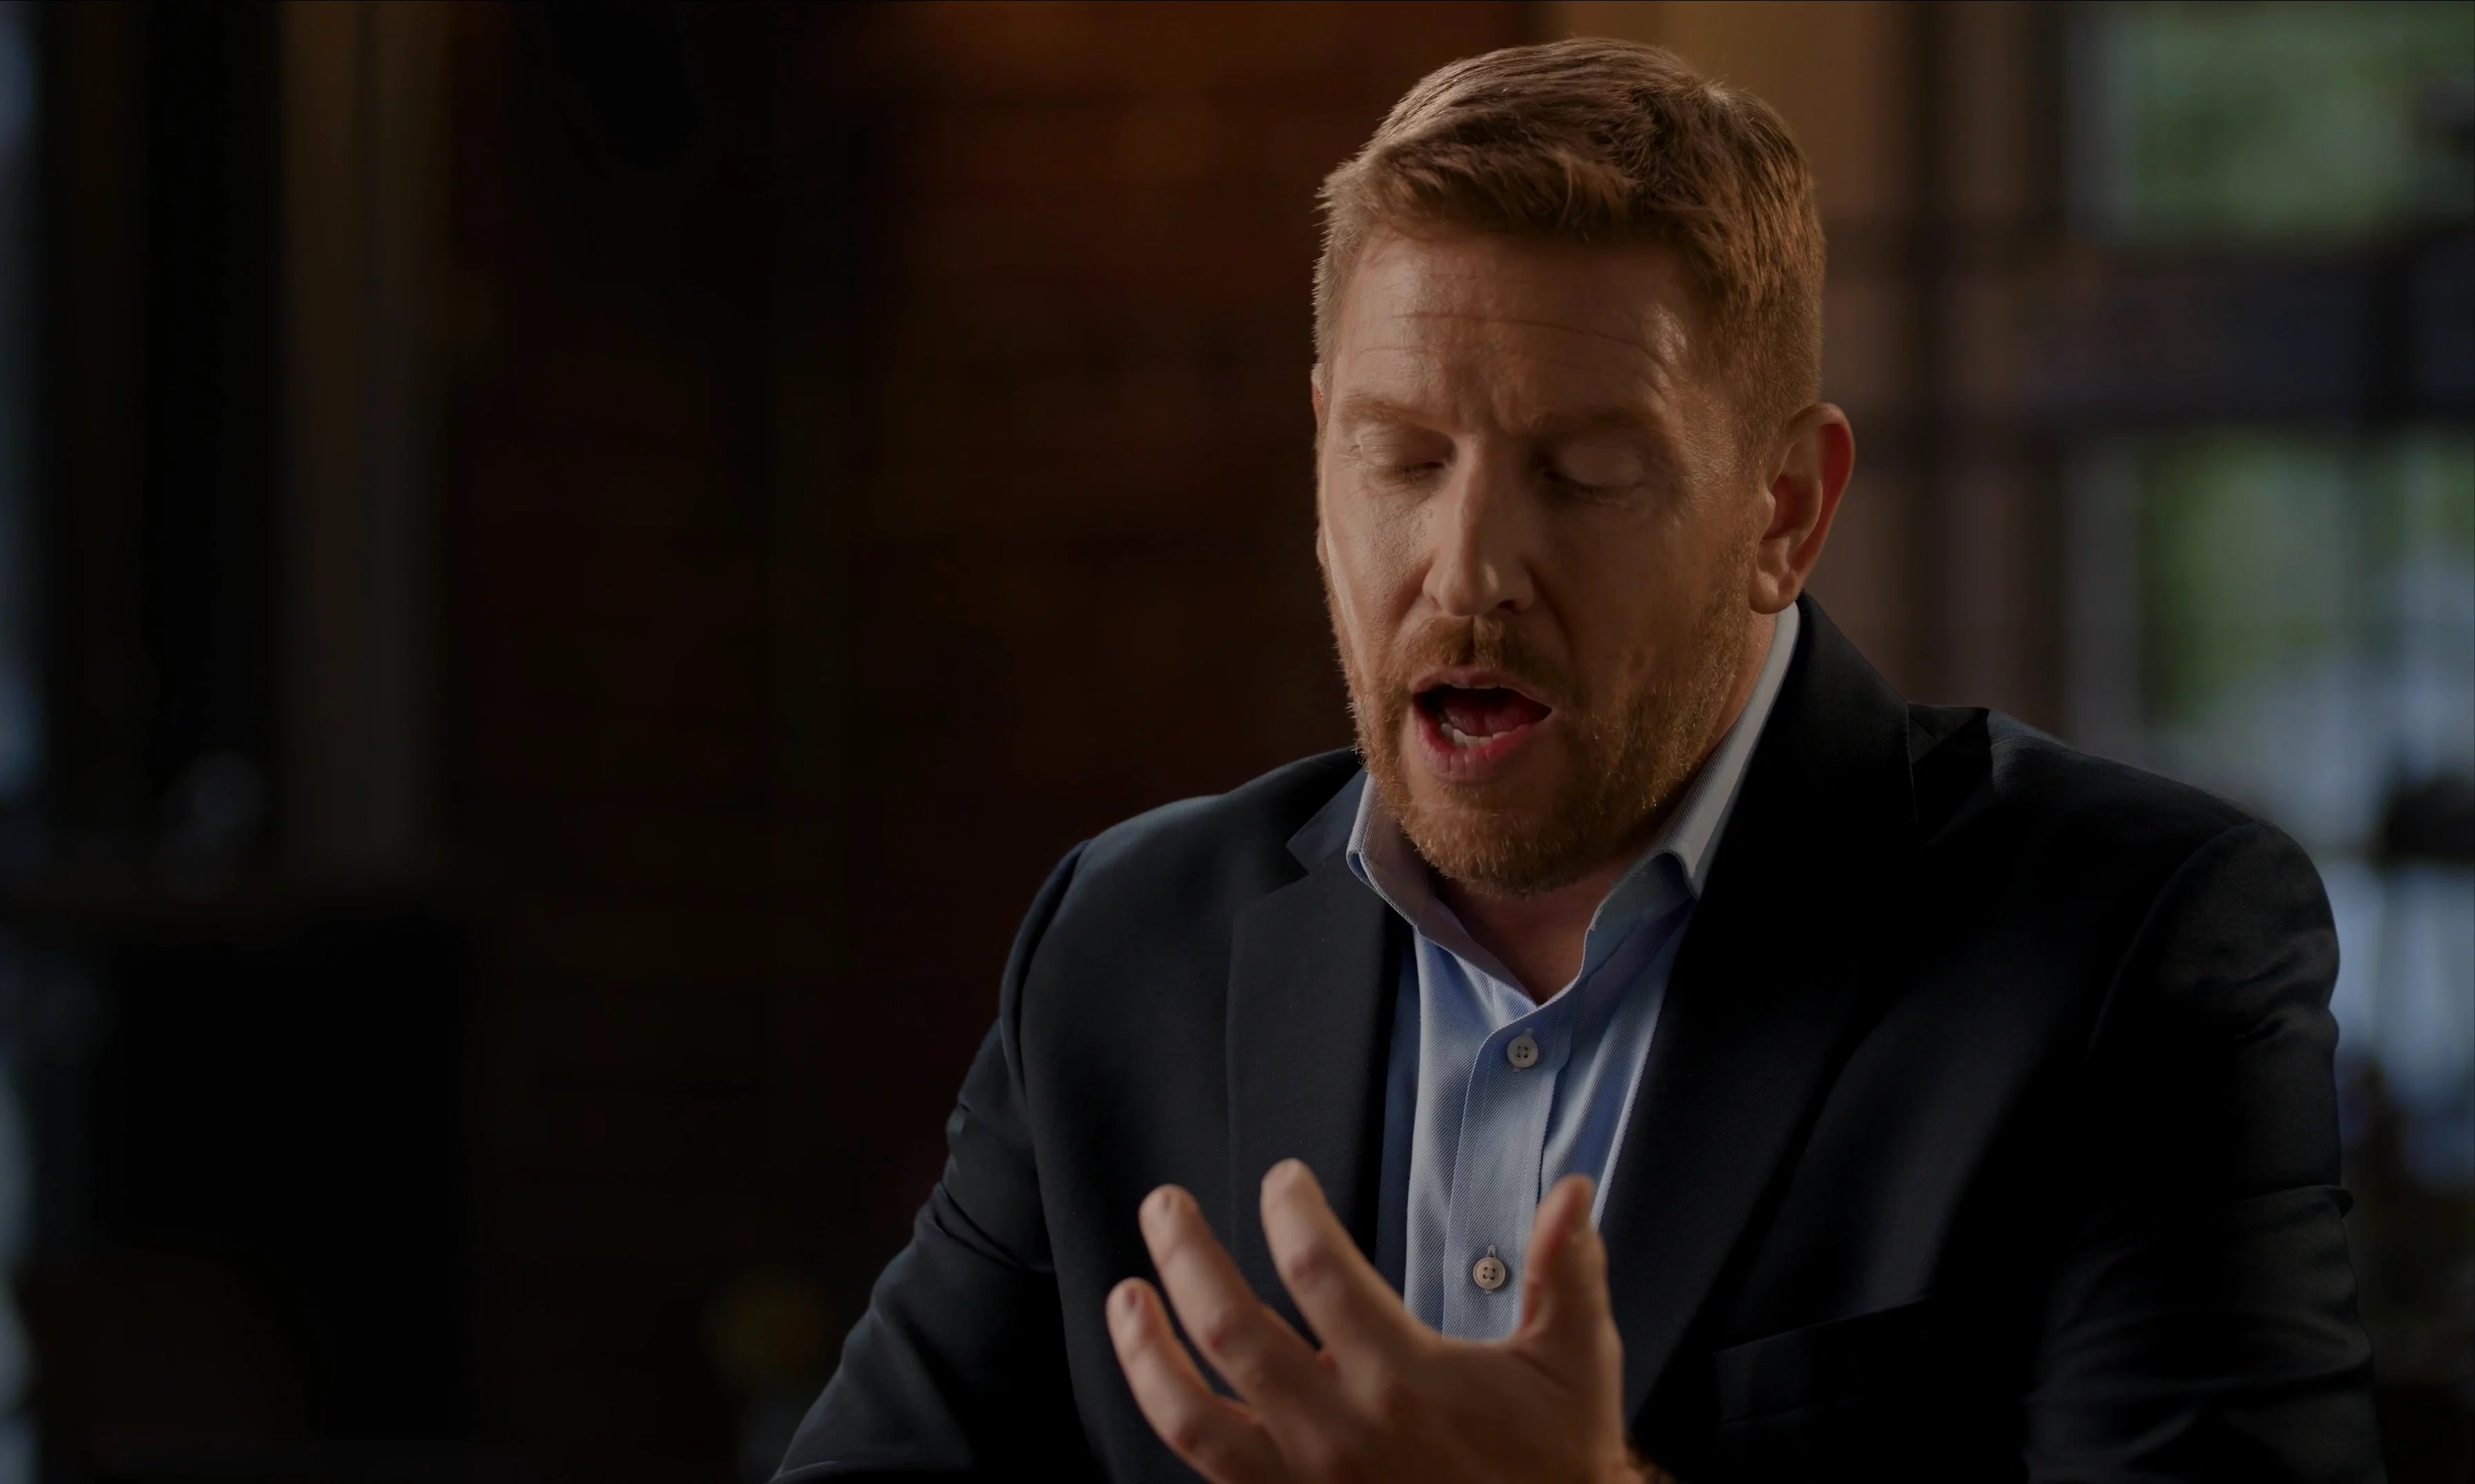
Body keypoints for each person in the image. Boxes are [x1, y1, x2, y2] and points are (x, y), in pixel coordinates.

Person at [774, 38, 2380, 1483]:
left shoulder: (2134, 954)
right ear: (1322, 460)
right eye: (1403, 461)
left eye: (1588, 473)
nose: (1470, 570)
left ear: (1784, 513)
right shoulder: (1123, 946)